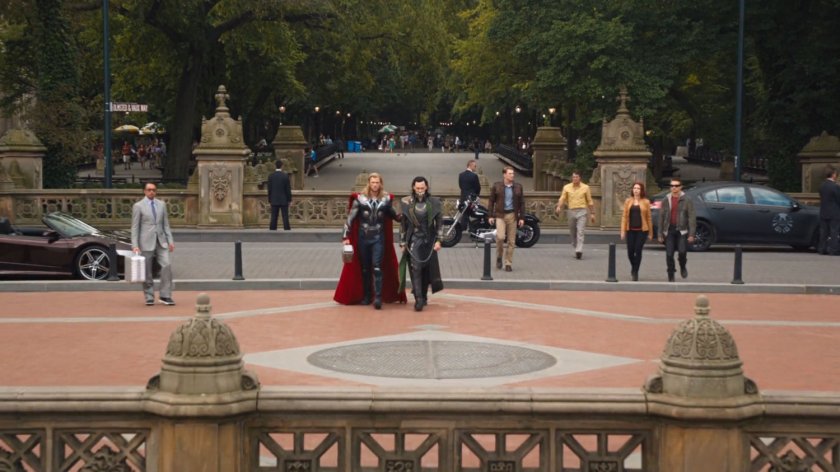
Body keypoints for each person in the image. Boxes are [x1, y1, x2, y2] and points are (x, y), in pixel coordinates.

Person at [334, 173, 405, 308]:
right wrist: (345, 236)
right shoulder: (360, 199)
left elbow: (395, 216)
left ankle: (378, 297)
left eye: (377, 182)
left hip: (378, 237)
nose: (375, 185)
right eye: (373, 182)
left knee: (377, 266)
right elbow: (350, 218)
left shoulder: (385, 199)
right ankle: (367, 295)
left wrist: (408, 214)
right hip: (363, 238)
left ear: (381, 183)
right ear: (369, 183)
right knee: (365, 268)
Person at [399, 176, 444, 311]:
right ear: (413, 187)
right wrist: (402, 241)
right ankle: (418, 298)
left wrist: (439, 240)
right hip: (414, 239)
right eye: (417, 188)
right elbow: (403, 224)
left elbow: (440, 223)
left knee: (426, 269)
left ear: (426, 187)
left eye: (422, 188)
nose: (420, 190)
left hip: (429, 239)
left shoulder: (434, 202)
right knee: (416, 268)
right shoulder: (406, 202)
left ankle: (423, 296)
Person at [131, 182, 175, 306]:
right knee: (147, 271)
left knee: (167, 266)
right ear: (144, 191)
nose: (152, 192)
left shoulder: (161, 205)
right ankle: (149, 295)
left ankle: (165, 295)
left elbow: (165, 224)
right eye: (149, 190)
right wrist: (135, 245)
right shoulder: (138, 206)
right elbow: (135, 227)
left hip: (161, 241)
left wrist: (170, 240)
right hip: (145, 241)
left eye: (154, 190)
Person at [658, 178, 696, 282]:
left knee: (682, 251)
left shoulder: (687, 200)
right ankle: (671, 273)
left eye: (676, 185)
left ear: (680, 187)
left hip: (682, 230)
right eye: (672, 186)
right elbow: (661, 217)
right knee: (669, 254)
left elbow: (691, 217)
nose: (674, 188)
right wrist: (660, 234)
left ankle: (682, 266)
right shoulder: (666, 200)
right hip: (669, 230)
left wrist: (691, 234)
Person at [487, 166, 524, 272]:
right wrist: (490, 215)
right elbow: (491, 201)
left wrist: (522, 217)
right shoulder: (497, 186)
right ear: (504, 175)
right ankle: (499, 256)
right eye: (510, 173)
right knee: (500, 237)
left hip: (512, 215)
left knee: (511, 241)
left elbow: (522, 203)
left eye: (513, 174)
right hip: (500, 215)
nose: (512, 175)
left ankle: (508, 263)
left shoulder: (518, 187)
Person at [555, 171, 596, 259]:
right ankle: (575, 244)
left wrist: (592, 213)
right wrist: (559, 206)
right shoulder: (567, 187)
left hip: (582, 211)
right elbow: (562, 198)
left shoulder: (585, 187)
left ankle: (579, 250)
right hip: (571, 211)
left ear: (579, 178)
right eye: (573, 177)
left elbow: (589, 201)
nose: (575, 179)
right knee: (573, 231)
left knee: (580, 231)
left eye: (576, 177)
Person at [620, 182, 654, 281]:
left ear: (641, 190)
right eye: (634, 188)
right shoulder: (628, 201)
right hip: (630, 230)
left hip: (642, 231)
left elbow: (649, 218)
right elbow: (624, 217)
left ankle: (635, 271)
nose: (636, 190)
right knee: (630, 252)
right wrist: (622, 231)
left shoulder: (646, 202)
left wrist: (651, 233)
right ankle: (634, 266)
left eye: (638, 188)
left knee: (638, 250)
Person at [818, 165, 840, 255]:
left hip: (823, 211)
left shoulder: (822, 185)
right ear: (833, 174)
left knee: (824, 232)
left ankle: (822, 249)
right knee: (834, 232)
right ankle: (833, 250)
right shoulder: (835, 187)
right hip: (834, 212)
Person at [267, 160, 292, 231]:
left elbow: (269, 190)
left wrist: (269, 200)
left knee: (274, 217)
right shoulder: (285, 176)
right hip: (284, 199)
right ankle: (287, 229)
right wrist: (289, 199)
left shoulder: (271, 176)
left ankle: (272, 230)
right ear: (282, 166)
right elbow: (288, 189)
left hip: (274, 199)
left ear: (275, 166)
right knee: (285, 216)